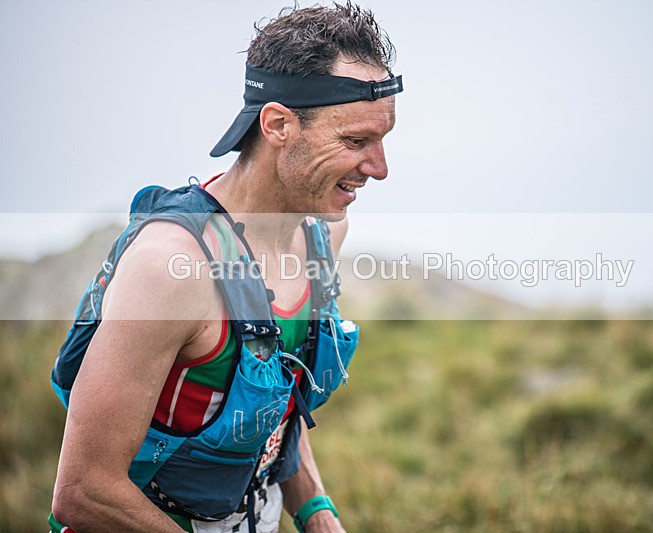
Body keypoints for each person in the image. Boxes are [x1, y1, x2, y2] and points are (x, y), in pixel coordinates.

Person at [49, 3, 401, 532]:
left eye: (382, 141)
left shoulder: (323, 236)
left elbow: (273, 395)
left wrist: (315, 510)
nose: (379, 168)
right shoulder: (171, 268)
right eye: (355, 142)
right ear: (279, 124)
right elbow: (83, 492)